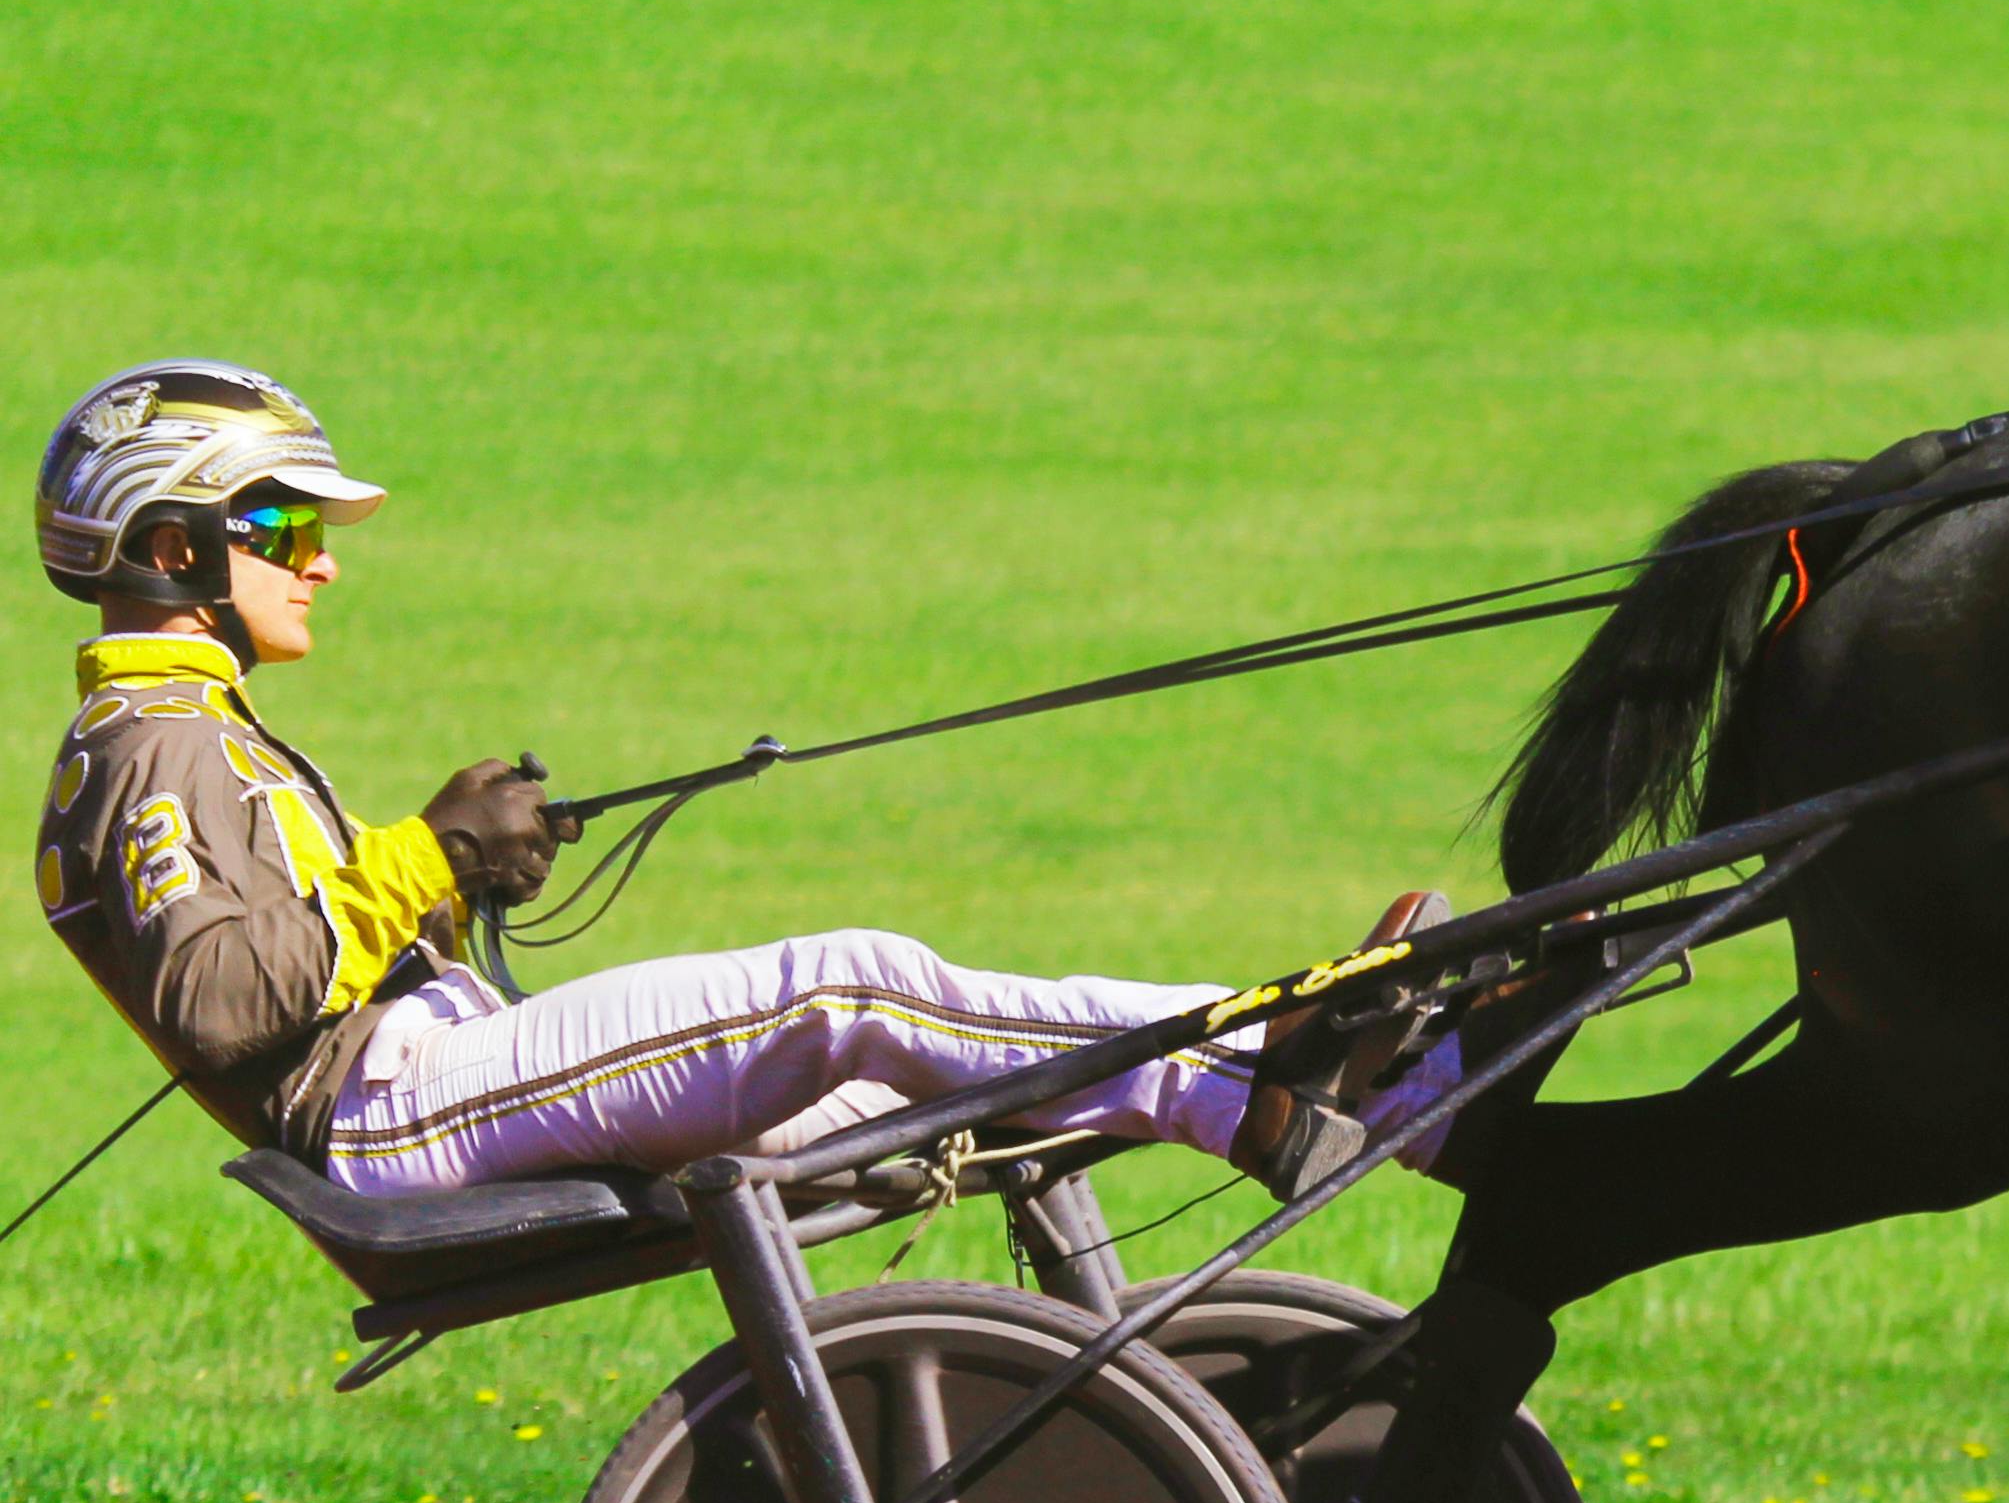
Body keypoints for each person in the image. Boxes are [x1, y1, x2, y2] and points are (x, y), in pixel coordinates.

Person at [34, 360, 1446, 1201]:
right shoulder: (152, 752)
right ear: (169, 550)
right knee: (851, 988)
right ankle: (1279, 1071)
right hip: (391, 1116)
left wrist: (463, 882)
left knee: (935, 1054)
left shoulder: (188, 730)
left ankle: (1355, 1071)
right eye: (282, 524)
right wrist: (424, 857)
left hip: (426, 1076)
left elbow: (292, 957)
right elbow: (223, 1004)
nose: (322, 558)